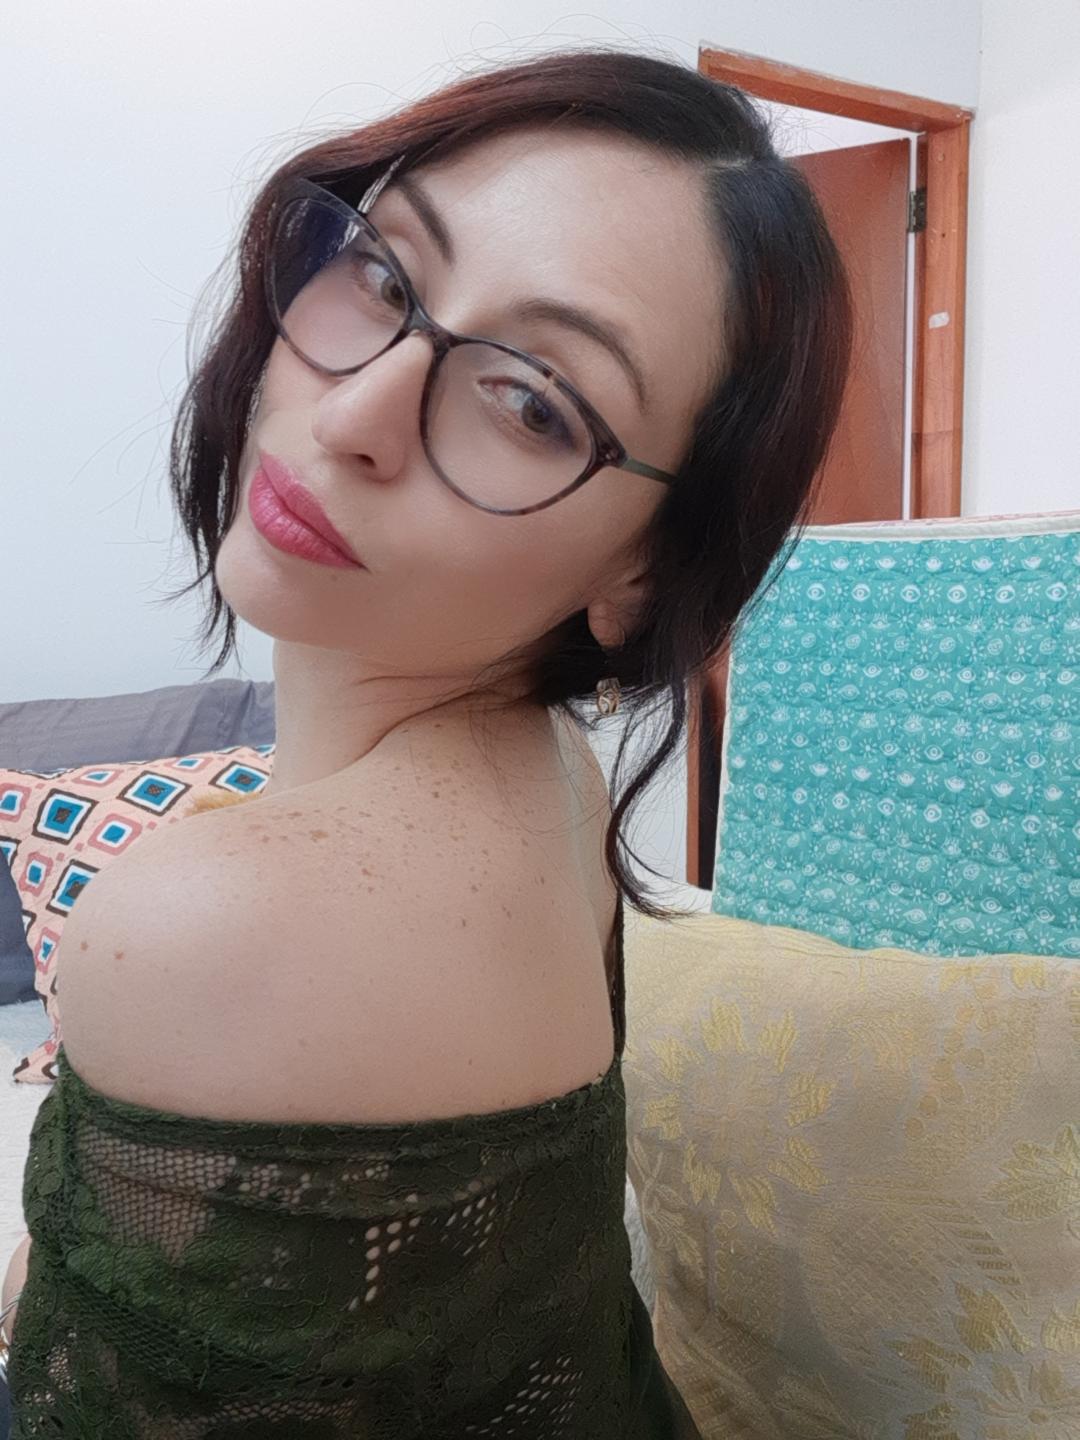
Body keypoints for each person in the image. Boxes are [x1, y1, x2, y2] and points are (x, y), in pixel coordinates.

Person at [1, 44, 852, 1436]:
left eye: (532, 403)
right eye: (386, 277)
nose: (351, 418)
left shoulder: (209, 916)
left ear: (643, 570)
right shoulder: (551, 770)